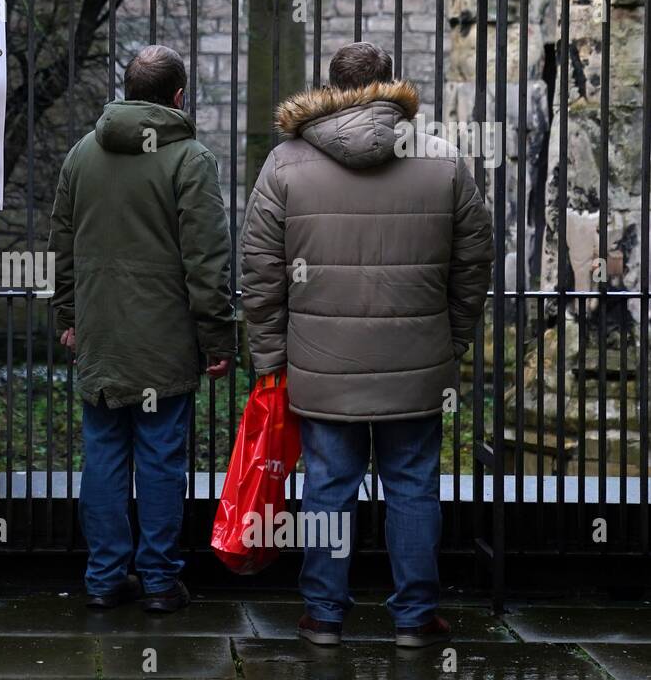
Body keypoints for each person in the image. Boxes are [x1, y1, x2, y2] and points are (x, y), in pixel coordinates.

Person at [240, 41, 493, 648]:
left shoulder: (285, 164)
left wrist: (272, 355)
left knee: (328, 484)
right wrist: (452, 336)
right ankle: (414, 618)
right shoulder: (444, 161)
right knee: (412, 484)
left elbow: (259, 272)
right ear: (391, 83)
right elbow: (473, 266)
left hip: (321, 364)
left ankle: (323, 615)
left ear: (329, 89)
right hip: (417, 359)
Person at [50, 45, 238, 613]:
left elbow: (62, 245)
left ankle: (105, 578)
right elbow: (207, 261)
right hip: (165, 340)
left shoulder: (82, 154)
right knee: (160, 459)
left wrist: (68, 316)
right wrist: (217, 337)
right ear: (178, 97)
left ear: (126, 90)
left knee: (104, 455)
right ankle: (159, 581)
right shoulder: (190, 160)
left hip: (101, 334)